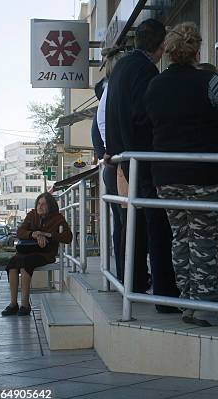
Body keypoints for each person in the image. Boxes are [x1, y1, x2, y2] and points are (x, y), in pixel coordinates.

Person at [145, 22, 218, 326]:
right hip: (206, 174)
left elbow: (151, 123)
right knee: (205, 238)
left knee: (180, 237)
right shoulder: (209, 82)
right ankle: (206, 305)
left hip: (166, 176)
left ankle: (187, 302)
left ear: (168, 51)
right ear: (197, 50)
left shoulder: (154, 86)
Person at [104, 18, 179, 313]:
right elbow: (143, 116)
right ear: (161, 47)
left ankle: (133, 283)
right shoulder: (146, 71)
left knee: (132, 225)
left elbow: (111, 114)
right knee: (157, 227)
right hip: (143, 160)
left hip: (123, 160)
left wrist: (114, 150)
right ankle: (164, 296)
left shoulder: (121, 68)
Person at [2, 193, 72, 316]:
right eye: (39, 203)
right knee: (12, 264)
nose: (40, 206)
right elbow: (20, 231)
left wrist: (49, 235)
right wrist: (33, 234)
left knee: (26, 263)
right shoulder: (32, 215)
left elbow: (68, 237)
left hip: (45, 253)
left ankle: (25, 305)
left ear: (50, 205)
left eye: (44, 204)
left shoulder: (58, 218)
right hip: (27, 250)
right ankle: (13, 304)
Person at [93, 46, 126, 282]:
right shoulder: (114, 92)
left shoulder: (105, 93)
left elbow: (97, 130)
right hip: (118, 166)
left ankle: (126, 273)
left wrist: (102, 151)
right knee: (127, 223)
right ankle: (129, 275)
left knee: (121, 224)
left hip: (110, 165)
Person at [196, 62, 218, 286]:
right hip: (217, 172)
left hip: (202, 173)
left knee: (194, 234)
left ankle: (203, 282)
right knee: (215, 228)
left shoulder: (201, 101)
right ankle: (217, 274)